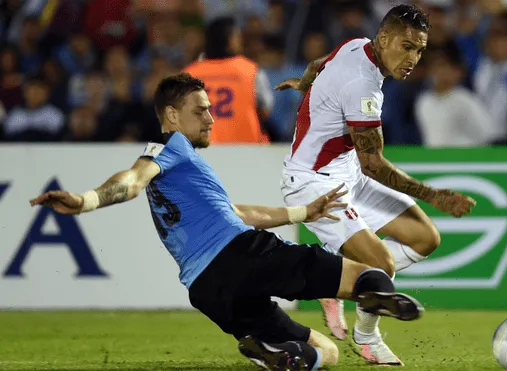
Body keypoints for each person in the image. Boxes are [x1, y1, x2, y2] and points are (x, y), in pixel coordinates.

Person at [28, 72, 424, 371]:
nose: (210, 119)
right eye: (200, 110)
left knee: (326, 353)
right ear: (170, 114)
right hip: (241, 254)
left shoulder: (182, 171)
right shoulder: (169, 147)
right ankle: (374, 297)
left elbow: (237, 213)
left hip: (207, 290)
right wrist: (85, 200)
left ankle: (273, 351)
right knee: (369, 273)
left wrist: (304, 213)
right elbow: (132, 180)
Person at [276, 4, 476, 365]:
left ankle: (338, 278)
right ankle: (365, 335)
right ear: (383, 38)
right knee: (382, 265)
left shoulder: (356, 44)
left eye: (419, 50)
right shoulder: (363, 85)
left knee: (425, 238)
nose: (413, 58)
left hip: (346, 172)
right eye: (406, 46)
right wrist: (436, 196)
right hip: (315, 183)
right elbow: (374, 163)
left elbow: (318, 65)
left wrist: (306, 86)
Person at [183, 16, 272, 144]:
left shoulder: (188, 73)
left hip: (200, 153)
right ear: (229, 40)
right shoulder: (250, 70)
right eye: (237, 36)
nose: (241, 40)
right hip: (246, 152)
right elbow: (266, 109)